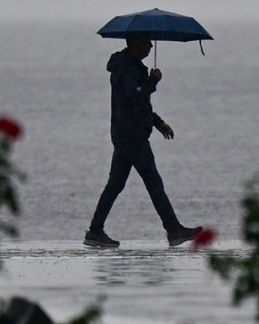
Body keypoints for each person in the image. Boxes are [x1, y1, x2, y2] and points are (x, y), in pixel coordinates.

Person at [84, 31, 202, 248]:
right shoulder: (128, 69)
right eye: (146, 42)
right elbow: (134, 96)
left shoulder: (130, 66)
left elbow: (139, 105)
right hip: (132, 137)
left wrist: (158, 123)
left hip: (126, 134)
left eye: (149, 43)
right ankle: (174, 230)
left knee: (116, 184)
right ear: (135, 44)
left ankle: (95, 231)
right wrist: (153, 81)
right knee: (153, 184)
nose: (149, 46)